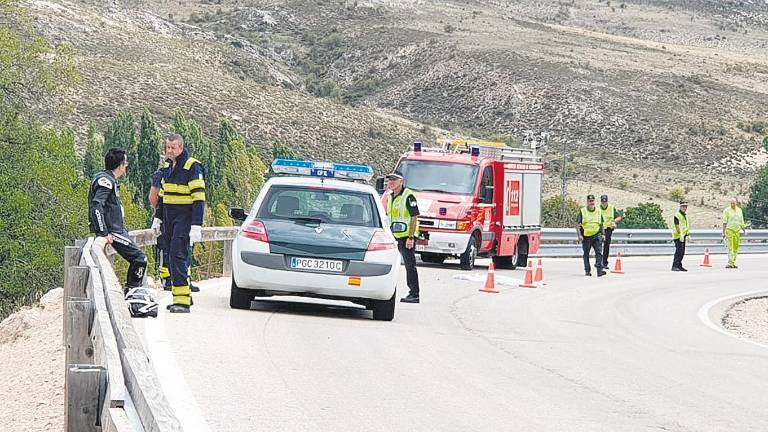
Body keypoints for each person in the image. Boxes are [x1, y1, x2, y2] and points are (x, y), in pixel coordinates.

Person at [88, 148, 157, 317]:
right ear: (120, 166)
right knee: (140, 259)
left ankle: (132, 295)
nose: (126, 167)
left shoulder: (106, 178)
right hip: (113, 231)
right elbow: (97, 205)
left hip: (117, 230)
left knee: (139, 259)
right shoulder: (106, 181)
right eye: (125, 164)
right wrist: (103, 232)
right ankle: (132, 298)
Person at [154, 134, 206, 313]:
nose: (170, 151)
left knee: (178, 256)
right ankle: (180, 298)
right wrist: (158, 217)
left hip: (184, 219)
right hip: (169, 219)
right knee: (171, 257)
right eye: (167, 148)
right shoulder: (167, 168)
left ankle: (182, 302)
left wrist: (196, 225)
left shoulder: (192, 166)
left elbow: (199, 198)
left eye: (173, 148)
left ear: (181, 148)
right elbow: (162, 196)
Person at [385, 170, 420, 303]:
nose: (391, 182)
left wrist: (411, 238)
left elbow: (414, 217)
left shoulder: (408, 196)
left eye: (394, 179)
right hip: (394, 236)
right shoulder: (390, 196)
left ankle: (414, 293)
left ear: (401, 181)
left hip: (406, 237)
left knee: (410, 266)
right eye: (390, 179)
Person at [577, 194, 606, 277]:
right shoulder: (583, 211)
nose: (591, 202)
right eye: (590, 201)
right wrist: (579, 235)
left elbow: (601, 224)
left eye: (592, 201)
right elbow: (577, 224)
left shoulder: (598, 211)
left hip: (597, 235)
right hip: (586, 236)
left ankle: (599, 270)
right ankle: (587, 270)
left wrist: (603, 234)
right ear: (587, 202)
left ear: (594, 201)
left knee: (599, 252)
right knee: (586, 253)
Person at [722, 198, 747, 269]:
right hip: (729, 230)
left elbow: (741, 221)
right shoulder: (726, 211)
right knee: (730, 247)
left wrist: (744, 230)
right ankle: (730, 262)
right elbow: (724, 222)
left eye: (734, 203)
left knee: (736, 247)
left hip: (737, 231)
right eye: (731, 203)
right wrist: (723, 232)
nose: (732, 204)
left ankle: (733, 262)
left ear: (736, 203)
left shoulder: (739, 210)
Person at [599, 195, 623, 268]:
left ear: (607, 201)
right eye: (603, 202)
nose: (604, 203)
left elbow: (619, 217)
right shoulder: (597, 208)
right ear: (601, 202)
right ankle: (599, 262)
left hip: (608, 229)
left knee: (606, 246)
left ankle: (604, 263)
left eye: (605, 202)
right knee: (598, 246)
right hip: (599, 228)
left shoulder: (611, 208)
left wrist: (614, 221)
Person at [671, 201, 690, 272]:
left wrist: (688, 234)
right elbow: (677, 225)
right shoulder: (677, 215)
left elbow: (685, 226)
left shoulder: (684, 215)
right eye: (683, 206)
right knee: (678, 252)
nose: (685, 208)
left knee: (682, 252)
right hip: (678, 236)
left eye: (686, 207)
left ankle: (679, 266)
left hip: (683, 236)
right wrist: (680, 234)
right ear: (680, 207)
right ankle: (674, 266)